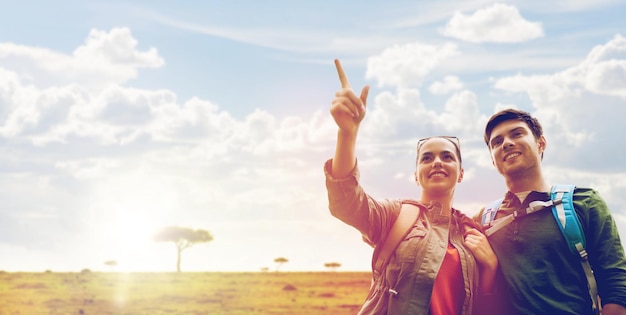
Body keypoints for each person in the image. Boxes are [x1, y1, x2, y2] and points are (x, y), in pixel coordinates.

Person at [324, 59, 506, 315]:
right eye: (427, 158)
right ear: (416, 175)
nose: (437, 162)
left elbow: (485, 306)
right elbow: (347, 202)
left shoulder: (472, 232)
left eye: (447, 156)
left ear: (461, 173)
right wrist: (347, 134)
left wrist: (489, 268)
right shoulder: (396, 216)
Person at [478, 108, 626, 314]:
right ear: (492, 160)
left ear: (541, 143)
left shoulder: (583, 202)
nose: (506, 143)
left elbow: (616, 284)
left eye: (517, 134)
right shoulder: (484, 219)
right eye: (497, 142)